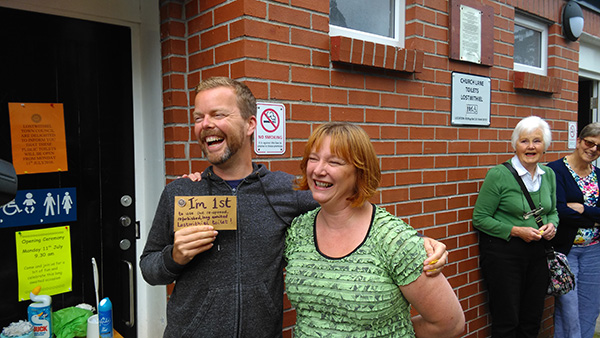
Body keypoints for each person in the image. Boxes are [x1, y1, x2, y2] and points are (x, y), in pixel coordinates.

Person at [139, 77, 448, 337]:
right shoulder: (181, 192)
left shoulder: (287, 191)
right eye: (198, 117)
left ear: (250, 124)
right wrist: (174, 257)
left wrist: (417, 242)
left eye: (218, 115)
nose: (206, 125)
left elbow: (350, 206)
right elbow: (149, 268)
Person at [284, 122, 465, 337]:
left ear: (360, 172)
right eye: (313, 159)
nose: (319, 170)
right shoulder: (298, 230)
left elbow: (449, 324)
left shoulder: (395, 241)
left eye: (334, 162)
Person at [472, 115, 559, 337]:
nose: (531, 147)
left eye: (537, 141)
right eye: (524, 141)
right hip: (504, 255)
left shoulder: (548, 175)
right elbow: (480, 218)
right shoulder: (498, 175)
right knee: (507, 320)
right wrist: (516, 231)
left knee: (532, 318)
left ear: (545, 146)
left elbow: (553, 211)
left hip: (538, 254)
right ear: (515, 145)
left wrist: (552, 225)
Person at [547, 122, 600, 338]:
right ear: (578, 141)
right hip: (565, 252)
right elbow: (558, 211)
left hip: (594, 251)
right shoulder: (555, 170)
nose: (593, 149)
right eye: (589, 142)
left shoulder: (598, 175)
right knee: (568, 308)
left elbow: (572, 212)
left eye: (599, 147)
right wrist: (595, 217)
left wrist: (582, 209)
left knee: (590, 307)